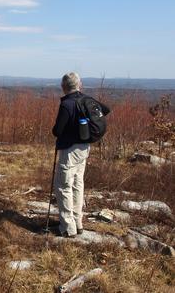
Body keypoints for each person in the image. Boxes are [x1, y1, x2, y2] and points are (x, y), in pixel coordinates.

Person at [52, 72, 110, 238]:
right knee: (77, 184)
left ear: (63, 87)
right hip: (84, 148)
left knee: (63, 186)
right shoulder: (86, 99)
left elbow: (57, 131)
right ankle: (78, 223)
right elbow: (105, 110)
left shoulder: (67, 104)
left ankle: (67, 227)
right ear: (80, 85)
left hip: (70, 150)